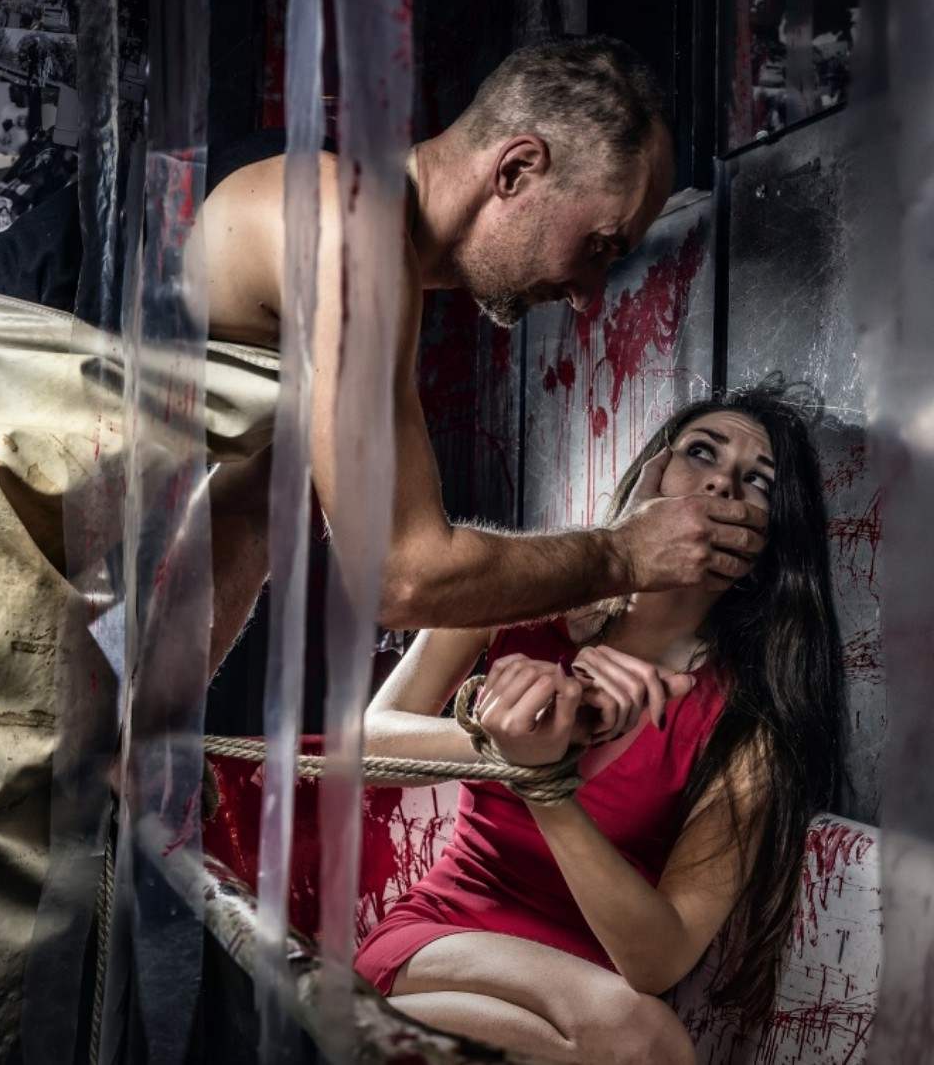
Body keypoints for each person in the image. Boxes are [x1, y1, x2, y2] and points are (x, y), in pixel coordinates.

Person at [0, 37, 768, 1064]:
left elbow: (250, 514)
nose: (589, 290)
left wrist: (149, 732)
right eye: (597, 243)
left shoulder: (361, 274)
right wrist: (622, 551)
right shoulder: (350, 230)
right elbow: (402, 573)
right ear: (515, 169)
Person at [356, 384, 844, 1065]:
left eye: (756, 482)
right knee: (644, 1040)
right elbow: (370, 747)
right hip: (441, 941)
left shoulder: (746, 730)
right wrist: (504, 743)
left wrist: (545, 782)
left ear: (769, 542)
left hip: (593, 1006)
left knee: (634, 1036)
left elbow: (659, 960)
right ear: (650, 475)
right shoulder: (520, 596)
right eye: (701, 452)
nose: (720, 484)